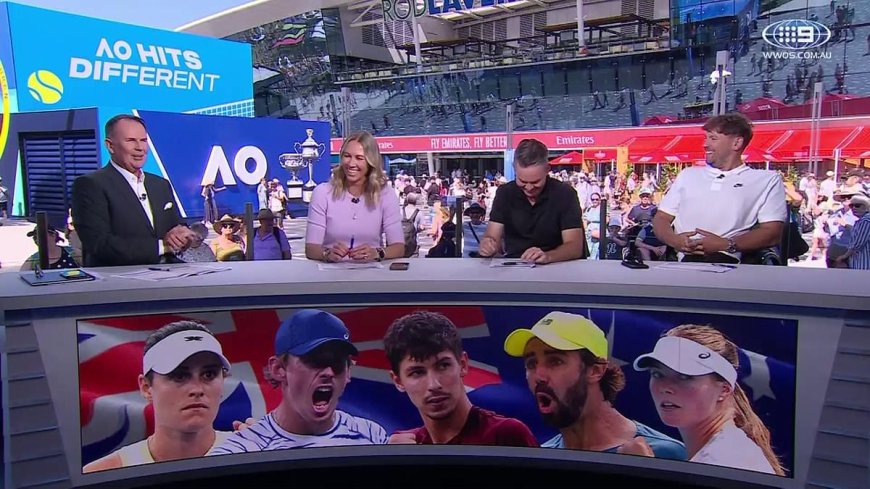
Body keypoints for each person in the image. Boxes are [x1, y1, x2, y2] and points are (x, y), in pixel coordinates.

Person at [503, 311, 686, 459]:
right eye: (531, 364)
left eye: (555, 361)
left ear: (596, 371)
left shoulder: (665, 454)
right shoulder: (543, 458)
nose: (539, 376)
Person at [210, 309, 387, 453]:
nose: (328, 372)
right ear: (279, 369)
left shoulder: (371, 436)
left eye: (337, 363)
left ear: (348, 371)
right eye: (315, 360)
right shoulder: (243, 452)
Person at [633, 325, 785, 474]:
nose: (665, 387)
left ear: (724, 390)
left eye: (685, 376)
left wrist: (642, 473)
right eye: (657, 374)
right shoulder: (724, 453)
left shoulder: (724, 461)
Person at [83, 321, 232, 471]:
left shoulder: (250, 452)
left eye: (209, 374)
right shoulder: (104, 473)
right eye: (179, 376)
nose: (197, 389)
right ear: (146, 387)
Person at [384, 311, 538, 446]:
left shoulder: (506, 435)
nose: (434, 384)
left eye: (443, 366)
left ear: (463, 364)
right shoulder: (405, 444)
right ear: (398, 381)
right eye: (417, 373)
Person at [653, 113, 786, 264]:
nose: (705, 144)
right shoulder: (687, 175)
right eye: (706, 138)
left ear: (736, 143)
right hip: (683, 264)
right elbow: (662, 218)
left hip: (729, 265)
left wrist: (726, 245)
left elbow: (772, 232)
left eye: (713, 138)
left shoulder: (766, 180)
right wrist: (674, 240)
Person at [71, 114, 196, 267]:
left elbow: (176, 225)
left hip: (169, 276)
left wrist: (182, 234)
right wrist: (162, 246)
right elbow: (98, 243)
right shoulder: (90, 185)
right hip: (119, 281)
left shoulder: (159, 184)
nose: (140, 148)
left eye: (143, 141)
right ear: (110, 146)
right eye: (131, 141)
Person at [477, 139, 585, 263]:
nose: (529, 188)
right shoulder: (505, 193)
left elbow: (575, 247)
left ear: (547, 169)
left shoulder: (565, 193)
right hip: (516, 267)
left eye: (535, 182)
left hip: (557, 266)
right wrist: (488, 244)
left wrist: (548, 256)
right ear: (514, 170)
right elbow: (492, 235)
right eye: (522, 181)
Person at [305, 131, 404, 263]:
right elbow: (311, 248)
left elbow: (398, 247)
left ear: (370, 162)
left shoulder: (385, 194)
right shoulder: (322, 193)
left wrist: (377, 252)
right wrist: (326, 253)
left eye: (359, 158)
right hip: (330, 275)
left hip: (371, 275)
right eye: (347, 156)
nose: (351, 164)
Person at [834, 194, 870, 269]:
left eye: (857, 206)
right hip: (858, 262)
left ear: (866, 207)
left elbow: (858, 243)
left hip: (864, 264)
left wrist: (844, 256)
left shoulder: (866, 220)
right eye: (851, 206)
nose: (853, 208)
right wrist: (845, 225)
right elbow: (856, 231)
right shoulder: (861, 221)